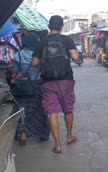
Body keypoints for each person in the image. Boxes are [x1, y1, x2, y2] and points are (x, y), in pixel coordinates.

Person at [31, 15, 79, 154]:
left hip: (48, 81)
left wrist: (45, 61)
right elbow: (75, 57)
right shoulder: (67, 40)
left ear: (49, 26)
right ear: (62, 26)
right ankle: (69, 137)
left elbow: (34, 63)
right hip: (66, 79)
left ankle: (58, 145)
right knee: (68, 109)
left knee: (52, 112)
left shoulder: (42, 42)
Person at [8, 32, 49, 145]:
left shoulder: (18, 55)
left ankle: (22, 134)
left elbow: (15, 72)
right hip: (37, 85)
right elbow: (45, 70)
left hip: (22, 86)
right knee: (37, 110)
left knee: (21, 110)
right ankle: (36, 133)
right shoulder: (39, 54)